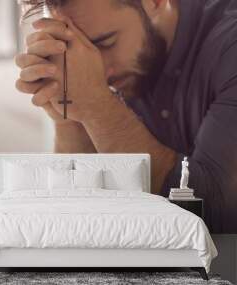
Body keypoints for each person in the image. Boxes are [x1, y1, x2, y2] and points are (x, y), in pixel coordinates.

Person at [14, 0, 237, 233]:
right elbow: (76, 223)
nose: (97, 71)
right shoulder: (123, 66)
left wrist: (97, 104)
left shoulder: (229, 45)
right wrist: (69, 119)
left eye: (107, 43)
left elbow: (218, 216)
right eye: (79, 50)